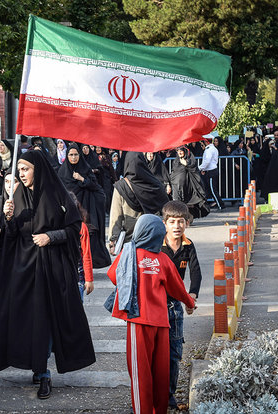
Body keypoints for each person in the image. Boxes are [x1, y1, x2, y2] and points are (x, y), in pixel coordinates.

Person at [0, 150, 95, 399]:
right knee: (30, 321)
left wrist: (51, 236)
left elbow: (74, 229)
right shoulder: (16, 196)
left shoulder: (57, 194)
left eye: (25, 169)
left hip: (54, 269)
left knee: (48, 320)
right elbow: (12, 235)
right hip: (26, 269)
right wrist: (9, 218)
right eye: (19, 170)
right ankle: (38, 366)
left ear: (37, 169)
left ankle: (44, 373)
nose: (21, 174)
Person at [106, 214, 196, 414]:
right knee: (161, 372)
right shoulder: (163, 259)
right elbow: (178, 288)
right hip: (162, 323)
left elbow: (113, 276)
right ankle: (159, 410)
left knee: (140, 374)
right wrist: (190, 303)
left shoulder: (129, 254)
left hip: (138, 322)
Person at [160, 201, 202, 409]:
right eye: (173, 222)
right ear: (164, 224)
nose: (177, 226)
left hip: (175, 306)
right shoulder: (157, 244)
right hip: (156, 305)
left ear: (187, 223)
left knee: (174, 353)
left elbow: (196, 273)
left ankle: (169, 395)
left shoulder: (188, 245)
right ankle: (152, 392)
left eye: (181, 222)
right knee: (156, 352)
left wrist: (191, 297)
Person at [58, 144, 111, 268]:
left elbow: (96, 187)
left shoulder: (85, 168)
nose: (74, 157)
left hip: (87, 210)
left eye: (76, 154)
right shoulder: (62, 172)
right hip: (70, 212)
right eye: (71, 155)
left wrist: (82, 179)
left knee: (87, 236)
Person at [109, 152, 168, 253]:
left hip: (129, 239)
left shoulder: (121, 187)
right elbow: (166, 209)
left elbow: (116, 216)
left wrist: (113, 239)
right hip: (151, 237)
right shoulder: (154, 184)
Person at [170, 147, 210, 219]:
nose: (179, 153)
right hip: (178, 187)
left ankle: (188, 218)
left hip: (189, 186)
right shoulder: (176, 161)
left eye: (181, 151)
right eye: (178, 151)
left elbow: (194, 169)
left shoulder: (190, 159)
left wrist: (187, 164)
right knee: (177, 202)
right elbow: (174, 172)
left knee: (190, 203)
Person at [199, 138, 225, 210]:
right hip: (211, 170)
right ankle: (218, 203)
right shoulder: (213, 149)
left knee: (213, 189)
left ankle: (220, 205)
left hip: (211, 171)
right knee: (211, 189)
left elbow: (207, 161)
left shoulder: (209, 150)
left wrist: (201, 168)